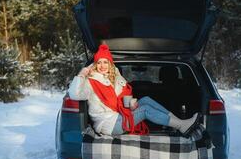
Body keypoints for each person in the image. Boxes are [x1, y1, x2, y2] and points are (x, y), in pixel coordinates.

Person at [68, 44, 200, 136]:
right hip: (108, 124)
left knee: (145, 100)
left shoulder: (114, 80)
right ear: (95, 65)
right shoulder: (91, 82)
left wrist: (130, 104)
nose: (102, 66)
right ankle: (181, 125)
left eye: (106, 62)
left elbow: (120, 100)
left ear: (110, 64)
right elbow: (74, 94)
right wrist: (82, 73)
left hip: (118, 117)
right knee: (145, 110)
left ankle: (179, 122)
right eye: (99, 62)